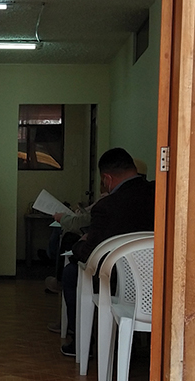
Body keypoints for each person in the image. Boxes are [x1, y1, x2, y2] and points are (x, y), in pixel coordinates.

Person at [60, 148, 156, 356]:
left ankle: (83, 342)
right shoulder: (160, 193)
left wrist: (78, 245)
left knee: (71, 273)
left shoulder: (107, 206)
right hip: (158, 279)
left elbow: (88, 253)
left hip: (118, 281)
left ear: (107, 178)